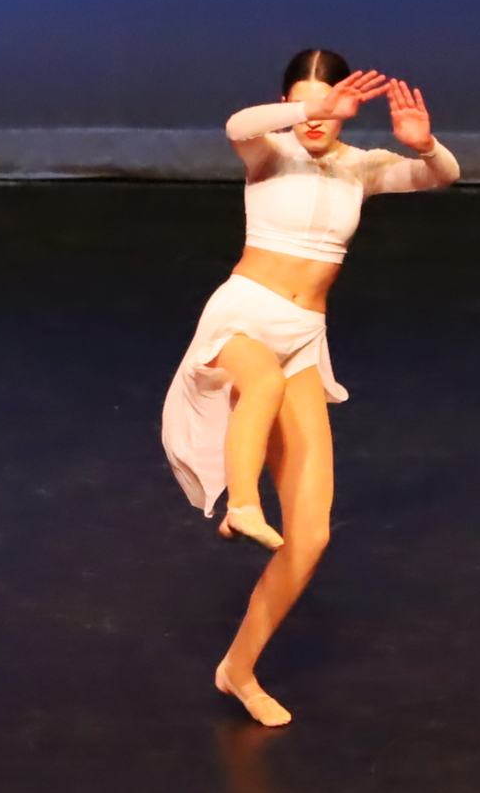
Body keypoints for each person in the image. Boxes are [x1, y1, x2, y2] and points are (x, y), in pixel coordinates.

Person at [161, 49, 459, 727]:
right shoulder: (269, 153)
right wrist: (306, 108)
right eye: (304, 104)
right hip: (242, 316)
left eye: (328, 106)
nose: (317, 118)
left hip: (303, 337)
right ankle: (241, 504)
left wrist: (425, 145)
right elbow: (237, 124)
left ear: (348, 111)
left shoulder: (360, 167)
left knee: (311, 536)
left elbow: (442, 176)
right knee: (259, 381)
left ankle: (238, 669)